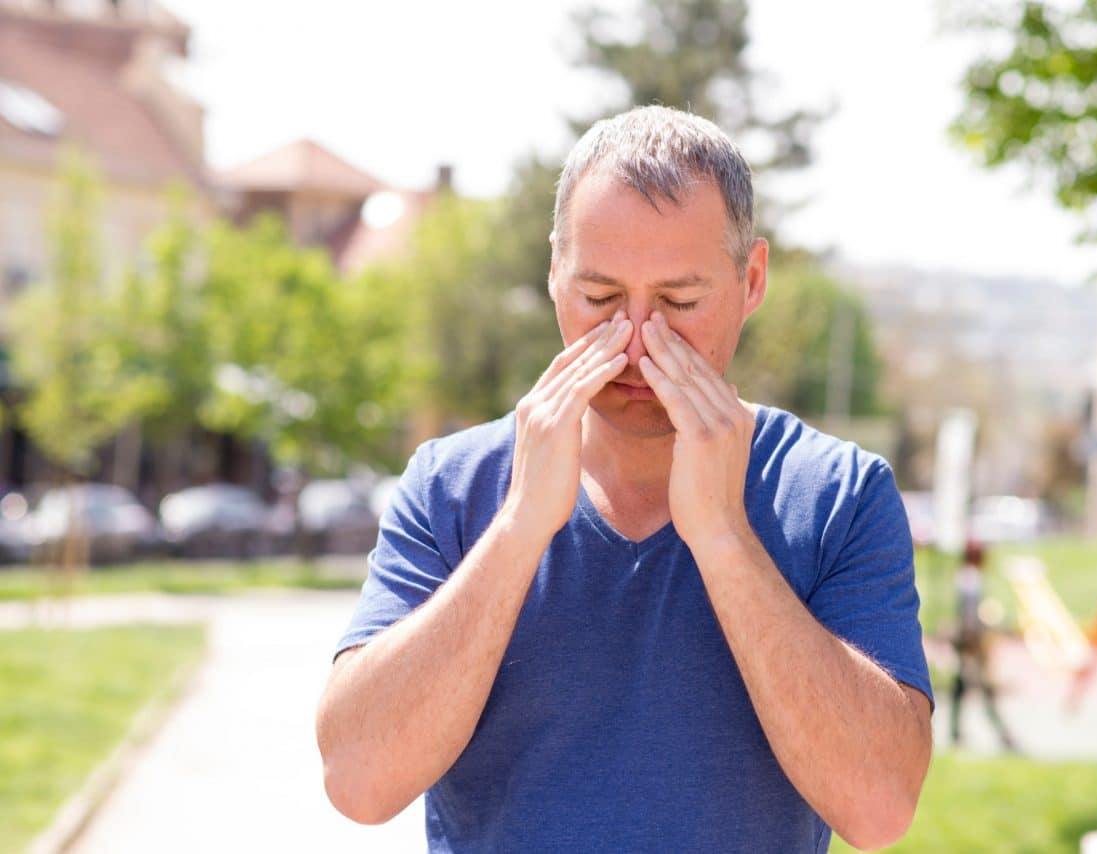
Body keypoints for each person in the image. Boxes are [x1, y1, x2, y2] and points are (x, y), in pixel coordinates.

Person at [316, 105, 933, 853]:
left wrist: (725, 539)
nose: (637, 343)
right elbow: (358, 782)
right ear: (553, 272)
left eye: (680, 302)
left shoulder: (838, 495)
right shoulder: (452, 485)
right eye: (600, 298)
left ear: (753, 279)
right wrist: (517, 531)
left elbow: (879, 810)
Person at [950, 540, 1018, 752]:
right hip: (972, 640)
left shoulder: (964, 578)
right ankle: (1002, 734)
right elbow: (969, 615)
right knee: (983, 688)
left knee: (961, 687)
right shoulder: (971, 581)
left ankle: (955, 732)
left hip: (967, 639)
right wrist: (975, 639)